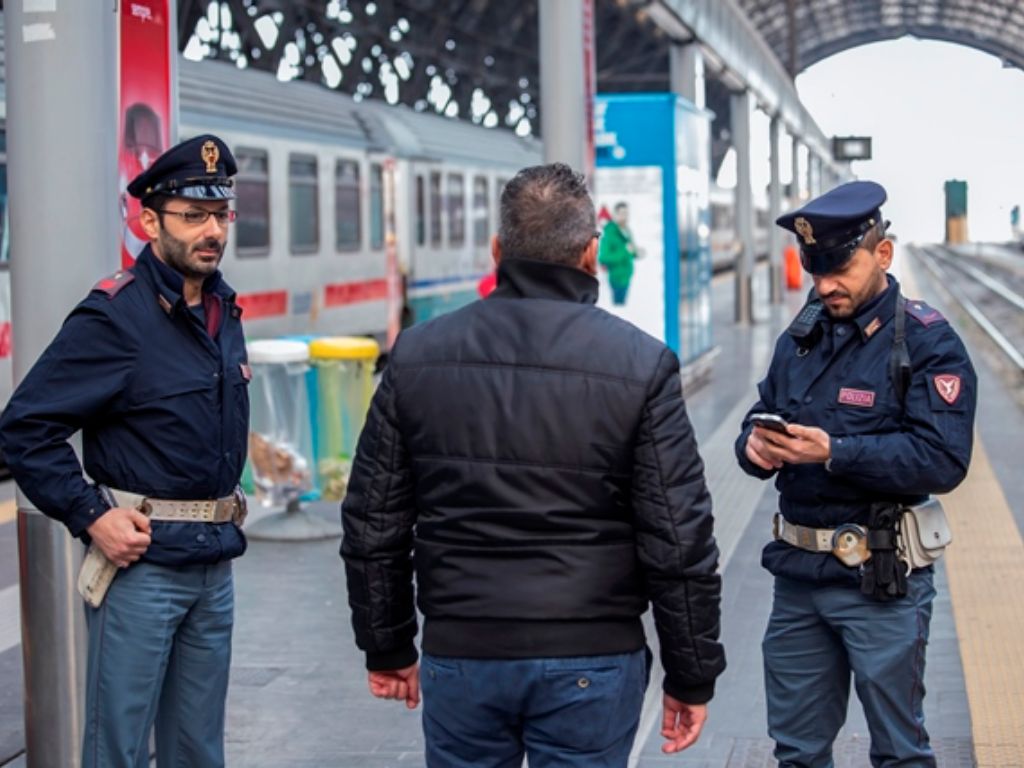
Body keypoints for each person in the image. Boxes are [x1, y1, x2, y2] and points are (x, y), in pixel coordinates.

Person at [341, 163, 725, 766]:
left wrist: (386, 646)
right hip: (592, 656)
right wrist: (691, 673)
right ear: (591, 253)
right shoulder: (641, 364)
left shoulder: (416, 356)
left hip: (462, 652)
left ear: (497, 249)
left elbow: (372, 521)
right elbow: (679, 538)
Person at [0, 134, 250, 768]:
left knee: (199, 751)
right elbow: (25, 428)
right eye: (193, 217)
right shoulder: (116, 317)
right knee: (119, 752)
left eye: (220, 215)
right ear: (148, 220)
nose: (211, 231)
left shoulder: (224, 307)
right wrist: (91, 515)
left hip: (213, 566)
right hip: (143, 572)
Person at [734, 180, 977, 766]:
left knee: (899, 751)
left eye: (838, 269)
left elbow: (943, 458)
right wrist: (753, 447)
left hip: (879, 583)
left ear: (883, 255)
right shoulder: (804, 334)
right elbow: (761, 409)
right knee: (796, 751)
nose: (824, 286)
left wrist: (835, 451)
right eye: (815, 270)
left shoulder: (928, 343)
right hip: (798, 580)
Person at [598, 201, 639, 305]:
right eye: (621, 213)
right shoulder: (609, 233)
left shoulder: (627, 231)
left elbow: (631, 252)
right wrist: (624, 252)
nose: (624, 216)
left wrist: (636, 252)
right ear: (615, 215)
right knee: (618, 309)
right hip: (616, 280)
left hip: (627, 277)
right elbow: (603, 257)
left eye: (626, 213)